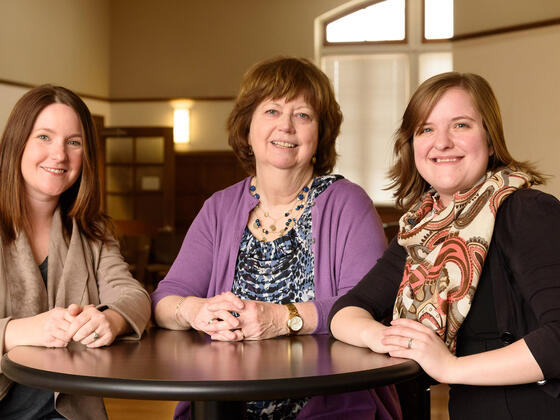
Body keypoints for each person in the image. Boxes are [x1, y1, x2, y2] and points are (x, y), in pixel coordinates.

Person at [151, 56, 401, 419]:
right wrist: (195, 310)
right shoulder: (219, 208)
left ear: (320, 135)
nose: (286, 126)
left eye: (303, 115)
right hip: (224, 402)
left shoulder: (348, 203)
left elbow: (368, 307)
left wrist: (285, 318)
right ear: (247, 127)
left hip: (331, 401)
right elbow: (164, 299)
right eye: (271, 111)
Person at [329, 71, 560, 419]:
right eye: (426, 129)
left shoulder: (526, 211)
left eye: (461, 125)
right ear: (413, 145)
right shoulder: (422, 229)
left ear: (491, 139)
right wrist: (382, 337)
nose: (442, 142)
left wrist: (449, 368)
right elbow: (346, 311)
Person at [0, 85, 151, 420]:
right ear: (16, 142)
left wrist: (111, 319)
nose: (59, 155)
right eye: (44, 137)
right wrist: (17, 331)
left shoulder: (94, 231)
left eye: (74, 142)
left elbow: (134, 295)